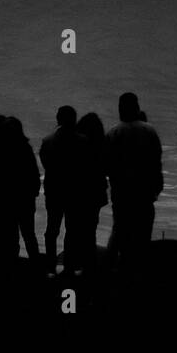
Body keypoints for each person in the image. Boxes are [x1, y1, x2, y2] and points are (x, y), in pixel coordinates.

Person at [104, 92, 163, 269]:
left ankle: (110, 270)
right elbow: (156, 162)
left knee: (119, 231)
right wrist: (156, 189)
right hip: (145, 193)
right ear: (137, 108)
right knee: (143, 234)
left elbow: (106, 166)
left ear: (120, 110)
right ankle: (139, 271)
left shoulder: (113, 133)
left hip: (121, 193)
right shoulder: (149, 130)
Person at [0, 116, 41, 268]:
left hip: (7, 200)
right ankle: (36, 265)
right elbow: (34, 174)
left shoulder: (0, 149)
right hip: (25, 200)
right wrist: (34, 192)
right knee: (29, 235)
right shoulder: (25, 148)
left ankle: (12, 266)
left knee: (12, 236)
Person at [39, 105, 78, 272]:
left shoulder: (47, 141)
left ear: (58, 119)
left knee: (51, 229)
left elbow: (45, 163)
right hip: (74, 191)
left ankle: (50, 266)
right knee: (72, 229)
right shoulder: (82, 141)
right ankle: (69, 266)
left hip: (54, 190)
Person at [69, 112, 108, 273]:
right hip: (95, 194)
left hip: (77, 193)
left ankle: (73, 265)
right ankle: (89, 265)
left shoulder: (77, 145)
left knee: (73, 229)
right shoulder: (101, 147)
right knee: (90, 228)